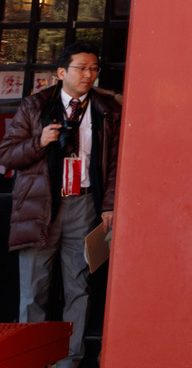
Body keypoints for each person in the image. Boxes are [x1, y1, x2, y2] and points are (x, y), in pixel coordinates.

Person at [0, 43, 120, 368]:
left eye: (93, 69)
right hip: (41, 207)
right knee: (33, 289)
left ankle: (70, 361)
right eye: (81, 68)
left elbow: (115, 164)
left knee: (79, 287)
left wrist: (109, 205)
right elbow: (6, 154)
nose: (88, 75)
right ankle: (30, 359)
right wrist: (39, 142)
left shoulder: (106, 109)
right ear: (61, 72)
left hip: (84, 205)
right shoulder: (36, 105)